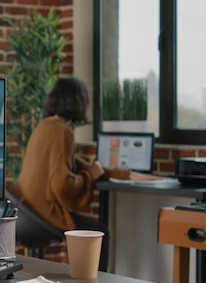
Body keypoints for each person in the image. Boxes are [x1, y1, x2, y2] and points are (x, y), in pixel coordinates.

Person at [12, 77, 159, 272]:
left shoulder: (45, 126)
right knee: (100, 231)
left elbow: (81, 165)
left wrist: (127, 175)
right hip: (43, 212)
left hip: (25, 211)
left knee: (95, 228)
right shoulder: (62, 132)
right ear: (78, 102)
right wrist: (89, 176)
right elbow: (61, 185)